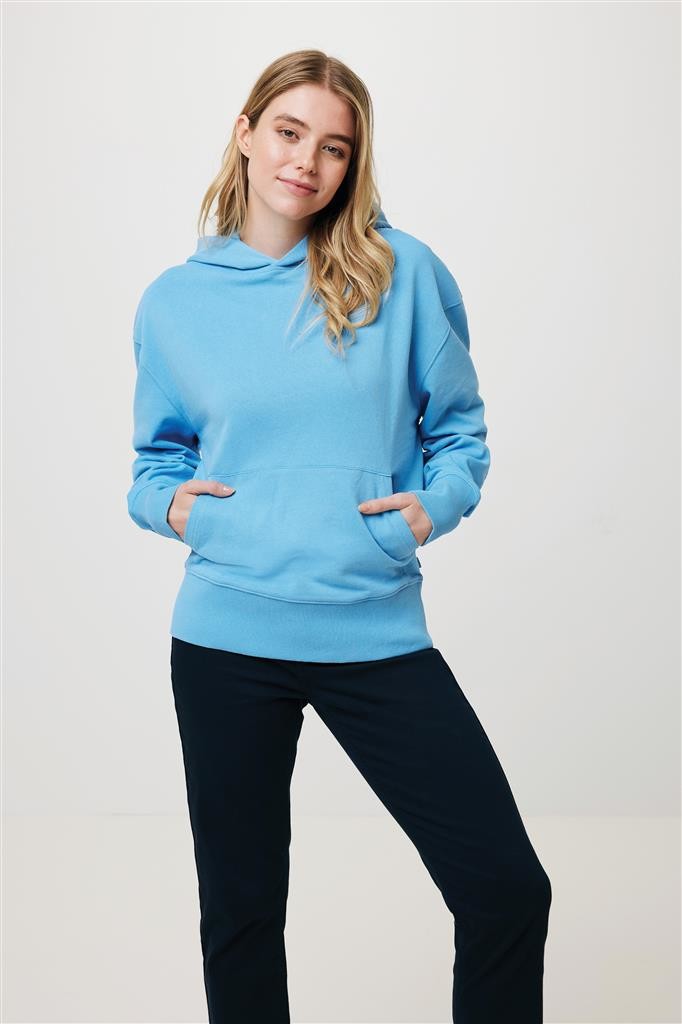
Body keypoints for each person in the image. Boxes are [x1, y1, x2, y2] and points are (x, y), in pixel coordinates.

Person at [127, 47, 552, 1024]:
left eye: (333, 147)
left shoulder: (402, 274)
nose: (306, 162)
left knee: (505, 888)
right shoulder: (174, 302)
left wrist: (434, 505)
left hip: (372, 626)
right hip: (226, 636)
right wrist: (176, 508)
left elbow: (458, 433)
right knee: (241, 913)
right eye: (288, 132)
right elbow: (155, 462)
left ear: (352, 163)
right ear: (245, 134)